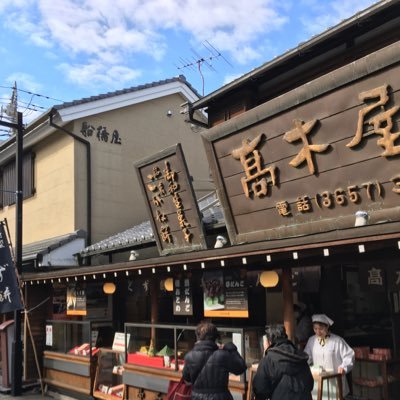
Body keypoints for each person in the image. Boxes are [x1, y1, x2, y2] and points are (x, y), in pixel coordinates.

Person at [182, 321, 247, 400]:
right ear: (215, 338)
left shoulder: (189, 356)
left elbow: (186, 378)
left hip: (197, 397)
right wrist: (231, 348)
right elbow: (241, 367)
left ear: (198, 337)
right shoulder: (222, 355)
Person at [252, 324, 314, 400]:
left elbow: (260, 389)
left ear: (269, 341)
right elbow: (310, 384)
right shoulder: (299, 356)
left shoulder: (268, 360)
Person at [304, 314, 355, 399]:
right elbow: (306, 356)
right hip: (319, 382)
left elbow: (349, 355)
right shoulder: (311, 341)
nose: (318, 332)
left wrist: (344, 367)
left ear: (327, 327)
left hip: (336, 381)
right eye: (315, 329)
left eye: (321, 329)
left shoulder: (337, 341)